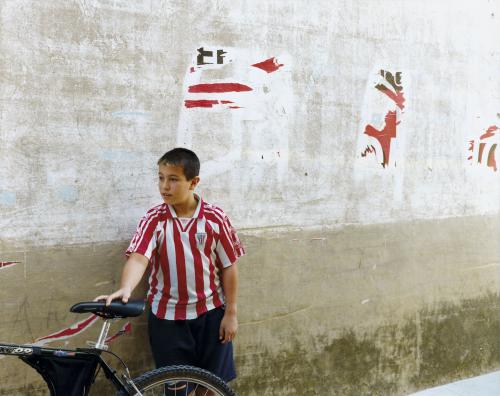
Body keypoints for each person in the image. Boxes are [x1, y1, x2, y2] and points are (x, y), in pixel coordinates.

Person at [96, 147, 245, 391]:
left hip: (211, 314)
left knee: (209, 385)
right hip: (167, 319)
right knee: (175, 387)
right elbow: (138, 258)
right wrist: (126, 288)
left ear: (193, 182)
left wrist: (231, 313)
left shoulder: (215, 218)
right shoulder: (154, 219)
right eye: (161, 178)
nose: (165, 186)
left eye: (173, 179)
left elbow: (229, 266)